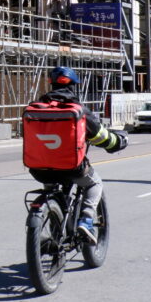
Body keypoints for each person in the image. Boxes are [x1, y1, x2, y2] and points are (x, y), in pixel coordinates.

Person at [27, 66, 127, 242]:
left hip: (39, 169)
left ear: (51, 84)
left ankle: (53, 231)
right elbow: (102, 137)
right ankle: (87, 219)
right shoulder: (79, 111)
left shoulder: (36, 109)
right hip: (72, 168)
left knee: (52, 188)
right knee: (94, 183)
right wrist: (118, 142)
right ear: (74, 86)